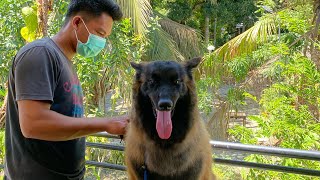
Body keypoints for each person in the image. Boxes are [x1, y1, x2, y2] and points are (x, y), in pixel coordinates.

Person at [4, 0, 129, 179]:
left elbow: (67, 122)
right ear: (77, 22)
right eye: (99, 33)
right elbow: (33, 124)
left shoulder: (65, 62)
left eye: (105, 37)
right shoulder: (40, 53)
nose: (101, 42)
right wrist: (106, 123)